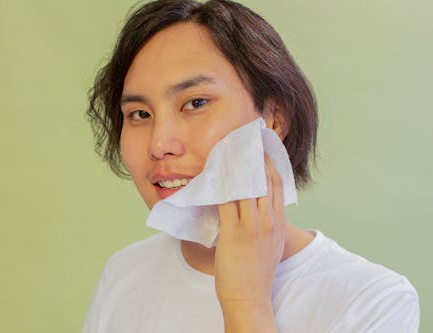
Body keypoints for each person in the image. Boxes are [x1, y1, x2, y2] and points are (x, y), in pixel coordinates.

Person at [83, 0, 419, 332]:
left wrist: (246, 301)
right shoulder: (123, 274)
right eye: (140, 114)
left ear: (274, 119)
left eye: (195, 103)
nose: (158, 145)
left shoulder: (372, 302)